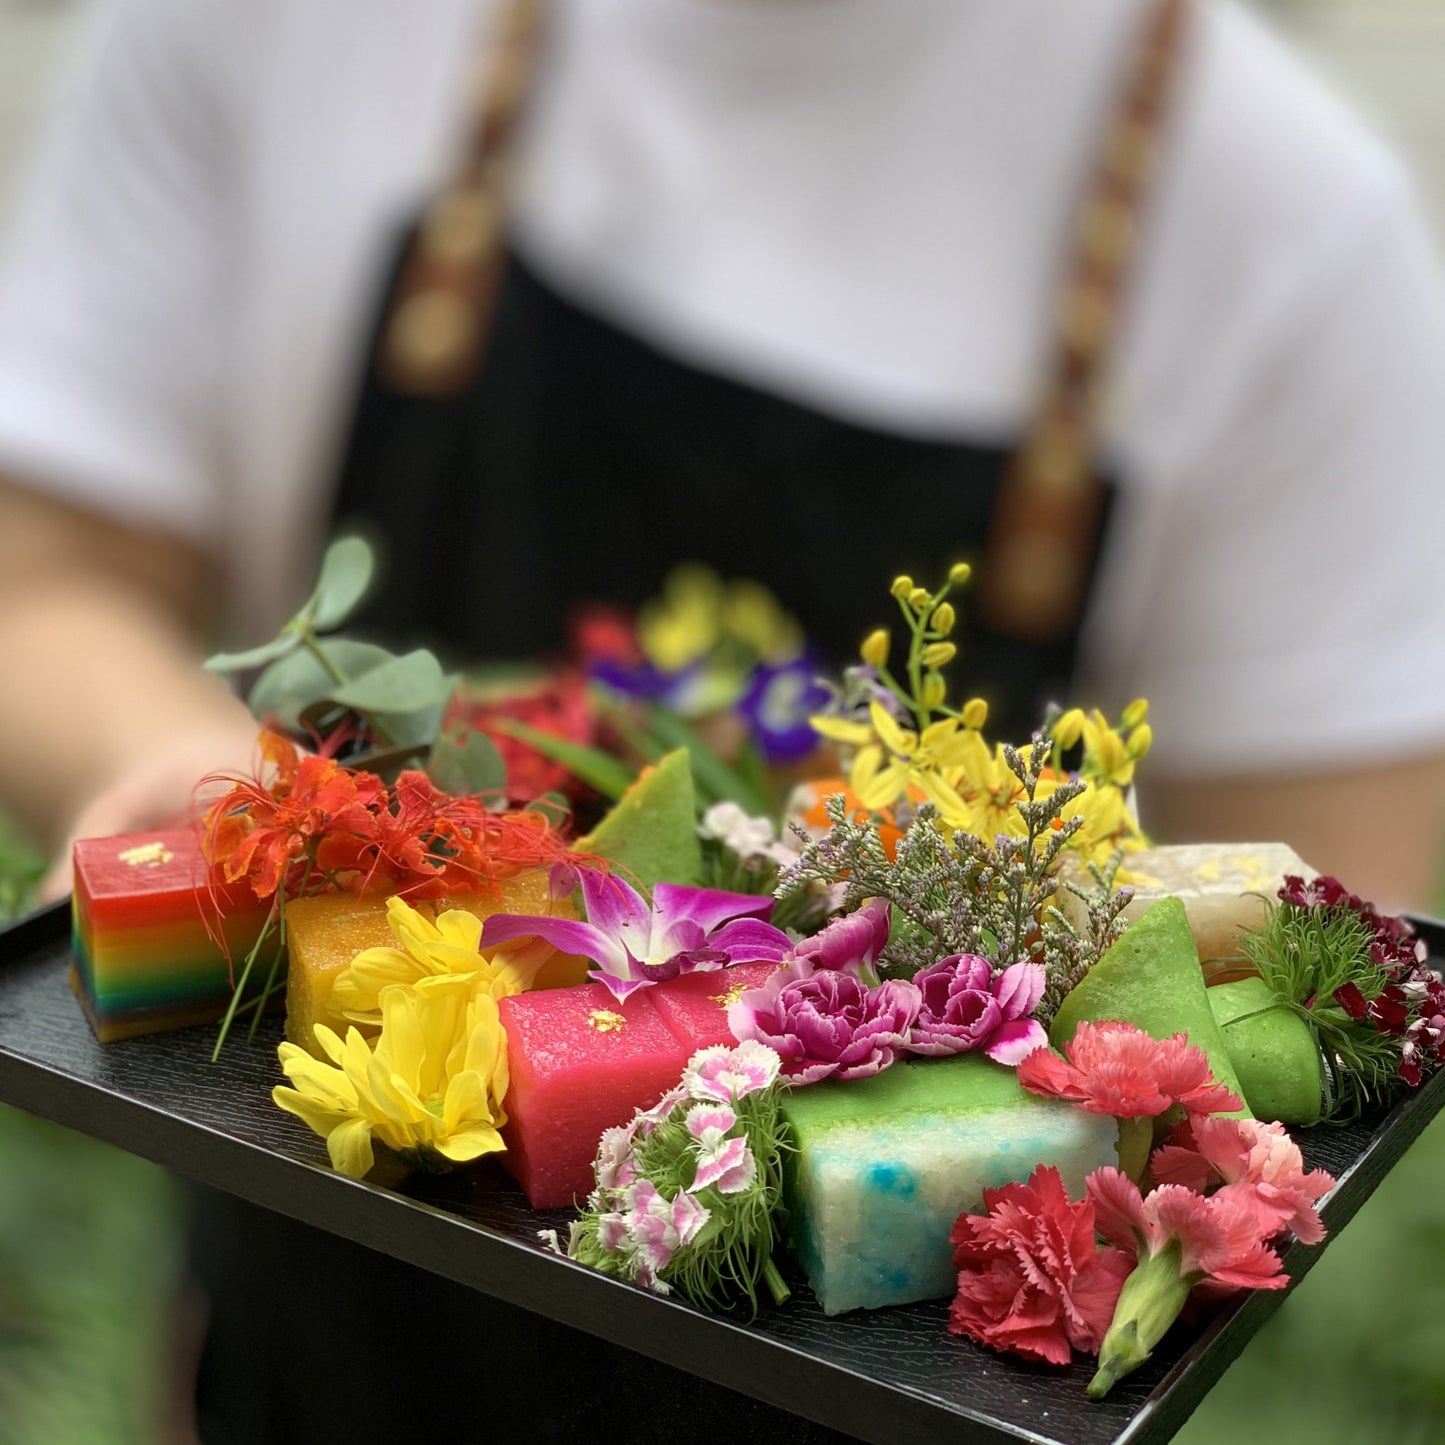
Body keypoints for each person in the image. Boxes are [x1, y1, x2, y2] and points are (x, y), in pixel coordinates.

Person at [1, 0, 1444, 1438]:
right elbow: (41, 573)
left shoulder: (1287, 219)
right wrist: (191, 784)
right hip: (309, 1350)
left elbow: (1321, 926)